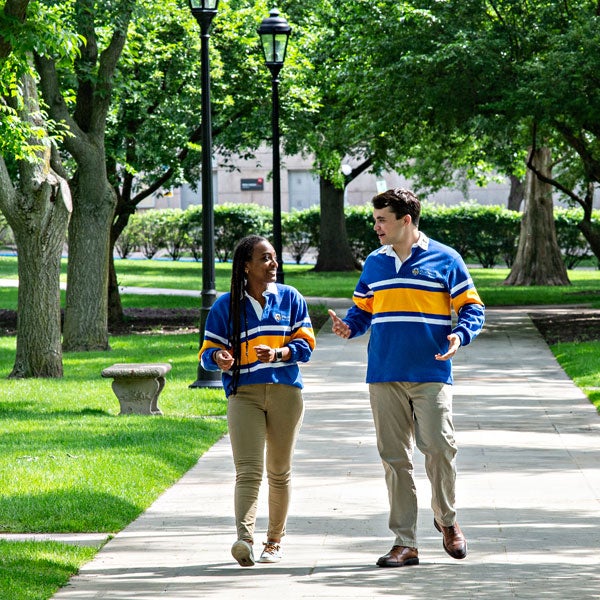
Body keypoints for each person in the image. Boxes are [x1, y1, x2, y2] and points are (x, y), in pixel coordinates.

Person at [329, 188, 485, 567]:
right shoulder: (375, 263)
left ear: (406, 220)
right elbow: (363, 309)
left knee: (440, 448)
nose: (376, 226)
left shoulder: (446, 259)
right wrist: (350, 326)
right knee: (394, 458)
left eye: (382, 219)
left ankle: (447, 521)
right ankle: (405, 543)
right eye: (375, 219)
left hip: (431, 370)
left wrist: (458, 335)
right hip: (384, 372)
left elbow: (472, 309)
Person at [199, 235, 316, 567]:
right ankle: (244, 539)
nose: (273, 264)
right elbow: (207, 353)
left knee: (278, 471)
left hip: (285, 393)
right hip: (243, 395)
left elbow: (306, 346)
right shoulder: (226, 306)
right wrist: (219, 357)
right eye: (265, 258)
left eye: (274, 258)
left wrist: (279, 352)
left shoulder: (291, 299)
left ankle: (274, 542)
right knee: (247, 470)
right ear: (246, 265)